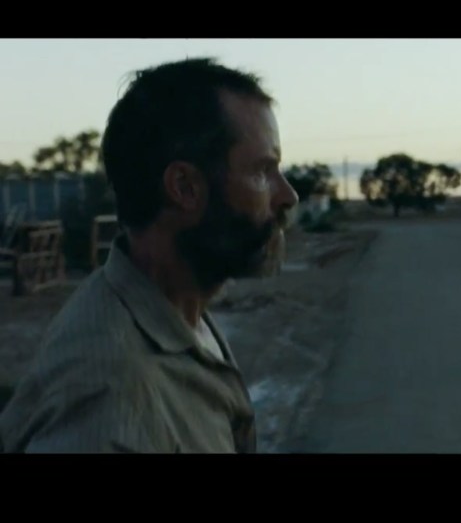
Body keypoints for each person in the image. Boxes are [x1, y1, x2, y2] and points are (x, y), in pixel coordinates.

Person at [0, 58, 298, 453]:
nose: (288, 195)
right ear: (184, 187)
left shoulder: (174, 311)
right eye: (263, 171)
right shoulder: (110, 397)